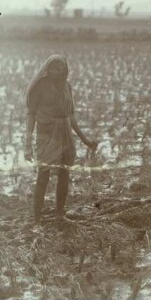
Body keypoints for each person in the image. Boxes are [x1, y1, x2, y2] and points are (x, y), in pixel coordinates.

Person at [25, 55, 98, 224]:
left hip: (65, 134)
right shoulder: (39, 87)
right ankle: (37, 219)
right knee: (43, 175)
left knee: (65, 173)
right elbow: (31, 115)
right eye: (52, 68)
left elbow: (70, 117)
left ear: (65, 70)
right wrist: (27, 144)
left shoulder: (67, 87)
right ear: (46, 69)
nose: (56, 72)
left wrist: (85, 140)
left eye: (60, 69)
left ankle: (59, 215)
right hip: (46, 133)